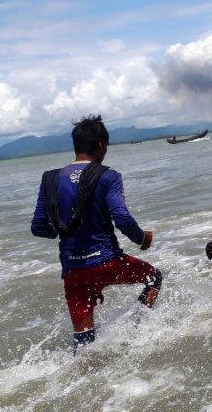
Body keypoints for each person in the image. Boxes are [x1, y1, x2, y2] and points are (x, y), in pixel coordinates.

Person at [30, 115, 162, 355]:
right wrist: (143, 239)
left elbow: (40, 228)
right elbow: (121, 218)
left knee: (82, 342)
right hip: (108, 262)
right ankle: (137, 334)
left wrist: (65, 229)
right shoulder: (108, 175)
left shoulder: (50, 178)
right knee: (154, 278)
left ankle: (80, 377)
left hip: (73, 271)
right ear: (101, 145)